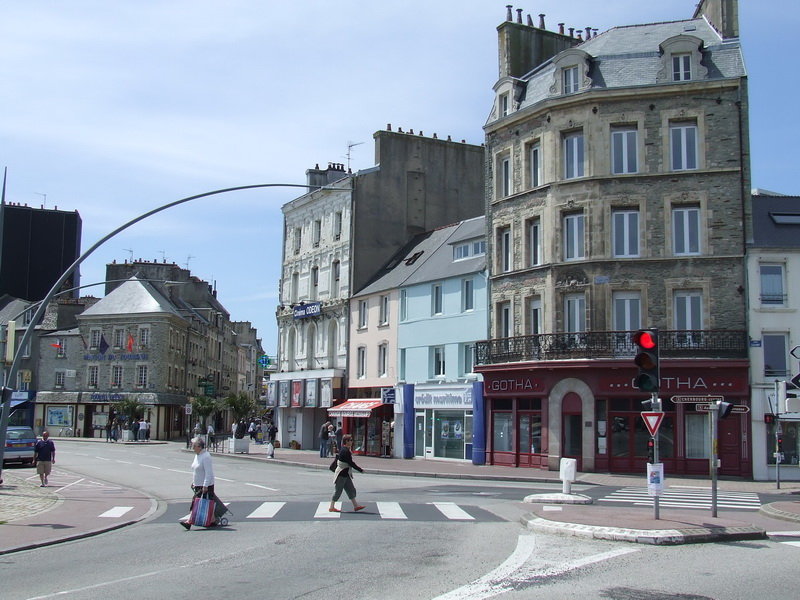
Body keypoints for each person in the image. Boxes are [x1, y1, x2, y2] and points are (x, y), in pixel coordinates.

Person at [180, 436, 222, 530]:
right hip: (198, 484)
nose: (192, 448)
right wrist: (194, 482)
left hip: (205, 485)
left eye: (194, 446)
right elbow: (196, 470)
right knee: (206, 503)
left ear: (199, 446)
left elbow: (208, 473)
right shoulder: (197, 455)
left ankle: (189, 522)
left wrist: (205, 485)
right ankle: (212, 520)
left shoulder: (206, 456)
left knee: (196, 502)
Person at [329, 434, 365, 513]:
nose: (352, 441)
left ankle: (356, 506)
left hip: (346, 474)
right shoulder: (345, 451)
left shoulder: (346, 450)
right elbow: (350, 463)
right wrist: (360, 470)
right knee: (338, 491)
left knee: (350, 489)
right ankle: (331, 507)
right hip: (341, 474)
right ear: (347, 441)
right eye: (351, 440)